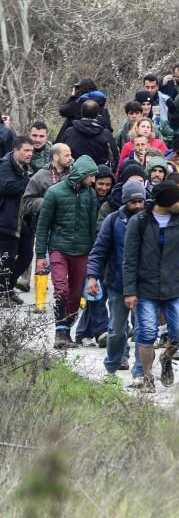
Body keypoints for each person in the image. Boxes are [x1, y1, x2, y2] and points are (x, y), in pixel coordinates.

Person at [123, 181, 179, 390]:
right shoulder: (139, 222)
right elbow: (129, 258)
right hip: (145, 288)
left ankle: (166, 358)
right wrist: (129, 290)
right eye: (177, 199)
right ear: (165, 201)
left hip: (175, 287)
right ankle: (147, 377)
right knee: (146, 333)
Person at [34, 155, 99, 349]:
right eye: (91, 176)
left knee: (75, 294)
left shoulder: (90, 194)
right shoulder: (54, 193)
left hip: (83, 250)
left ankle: (66, 329)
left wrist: (94, 254)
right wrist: (39, 256)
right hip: (59, 248)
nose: (93, 180)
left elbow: (92, 225)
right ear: (81, 174)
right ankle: (59, 333)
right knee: (61, 289)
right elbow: (43, 225)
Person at [86, 181, 147, 379]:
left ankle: (140, 373)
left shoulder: (151, 220)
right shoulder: (112, 221)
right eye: (133, 201)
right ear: (125, 201)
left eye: (141, 201)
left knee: (143, 331)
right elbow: (99, 250)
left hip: (144, 287)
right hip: (117, 285)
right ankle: (112, 367)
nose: (138, 205)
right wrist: (92, 277)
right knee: (115, 330)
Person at [0, 135, 34, 306]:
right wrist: (29, 183)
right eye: (26, 150)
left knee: (27, 255)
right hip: (6, 220)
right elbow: (6, 187)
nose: (29, 154)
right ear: (15, 151)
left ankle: (8, 287)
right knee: (7, 259)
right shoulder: (5, 165)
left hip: (23, 220)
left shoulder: (26, 167)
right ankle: (3, 291)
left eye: (31, 151)